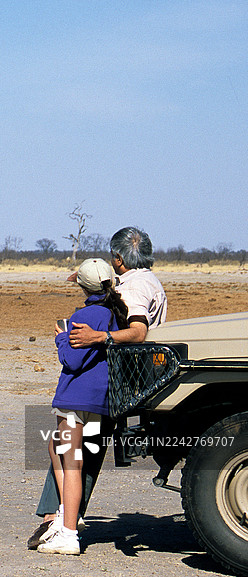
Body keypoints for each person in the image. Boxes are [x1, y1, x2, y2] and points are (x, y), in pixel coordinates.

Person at [28, 227, 167, 550]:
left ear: (118, 259)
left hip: (101, 386)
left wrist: (89, 337)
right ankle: (62, 518)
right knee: (72, 451)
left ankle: (61, 521)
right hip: (116, 384)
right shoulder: (148, 284)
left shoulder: (128, 290)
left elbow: (137, 332)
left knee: (75, 455)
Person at [37, 258, 129, 555]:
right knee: (57, 449)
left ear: (82, 285)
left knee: (72, 462)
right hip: (100, 400)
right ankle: (68, 516)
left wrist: (61, 338)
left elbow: (73, 360)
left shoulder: (86, 314)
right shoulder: (115, 314)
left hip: (76, 399)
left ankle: (69, 533)